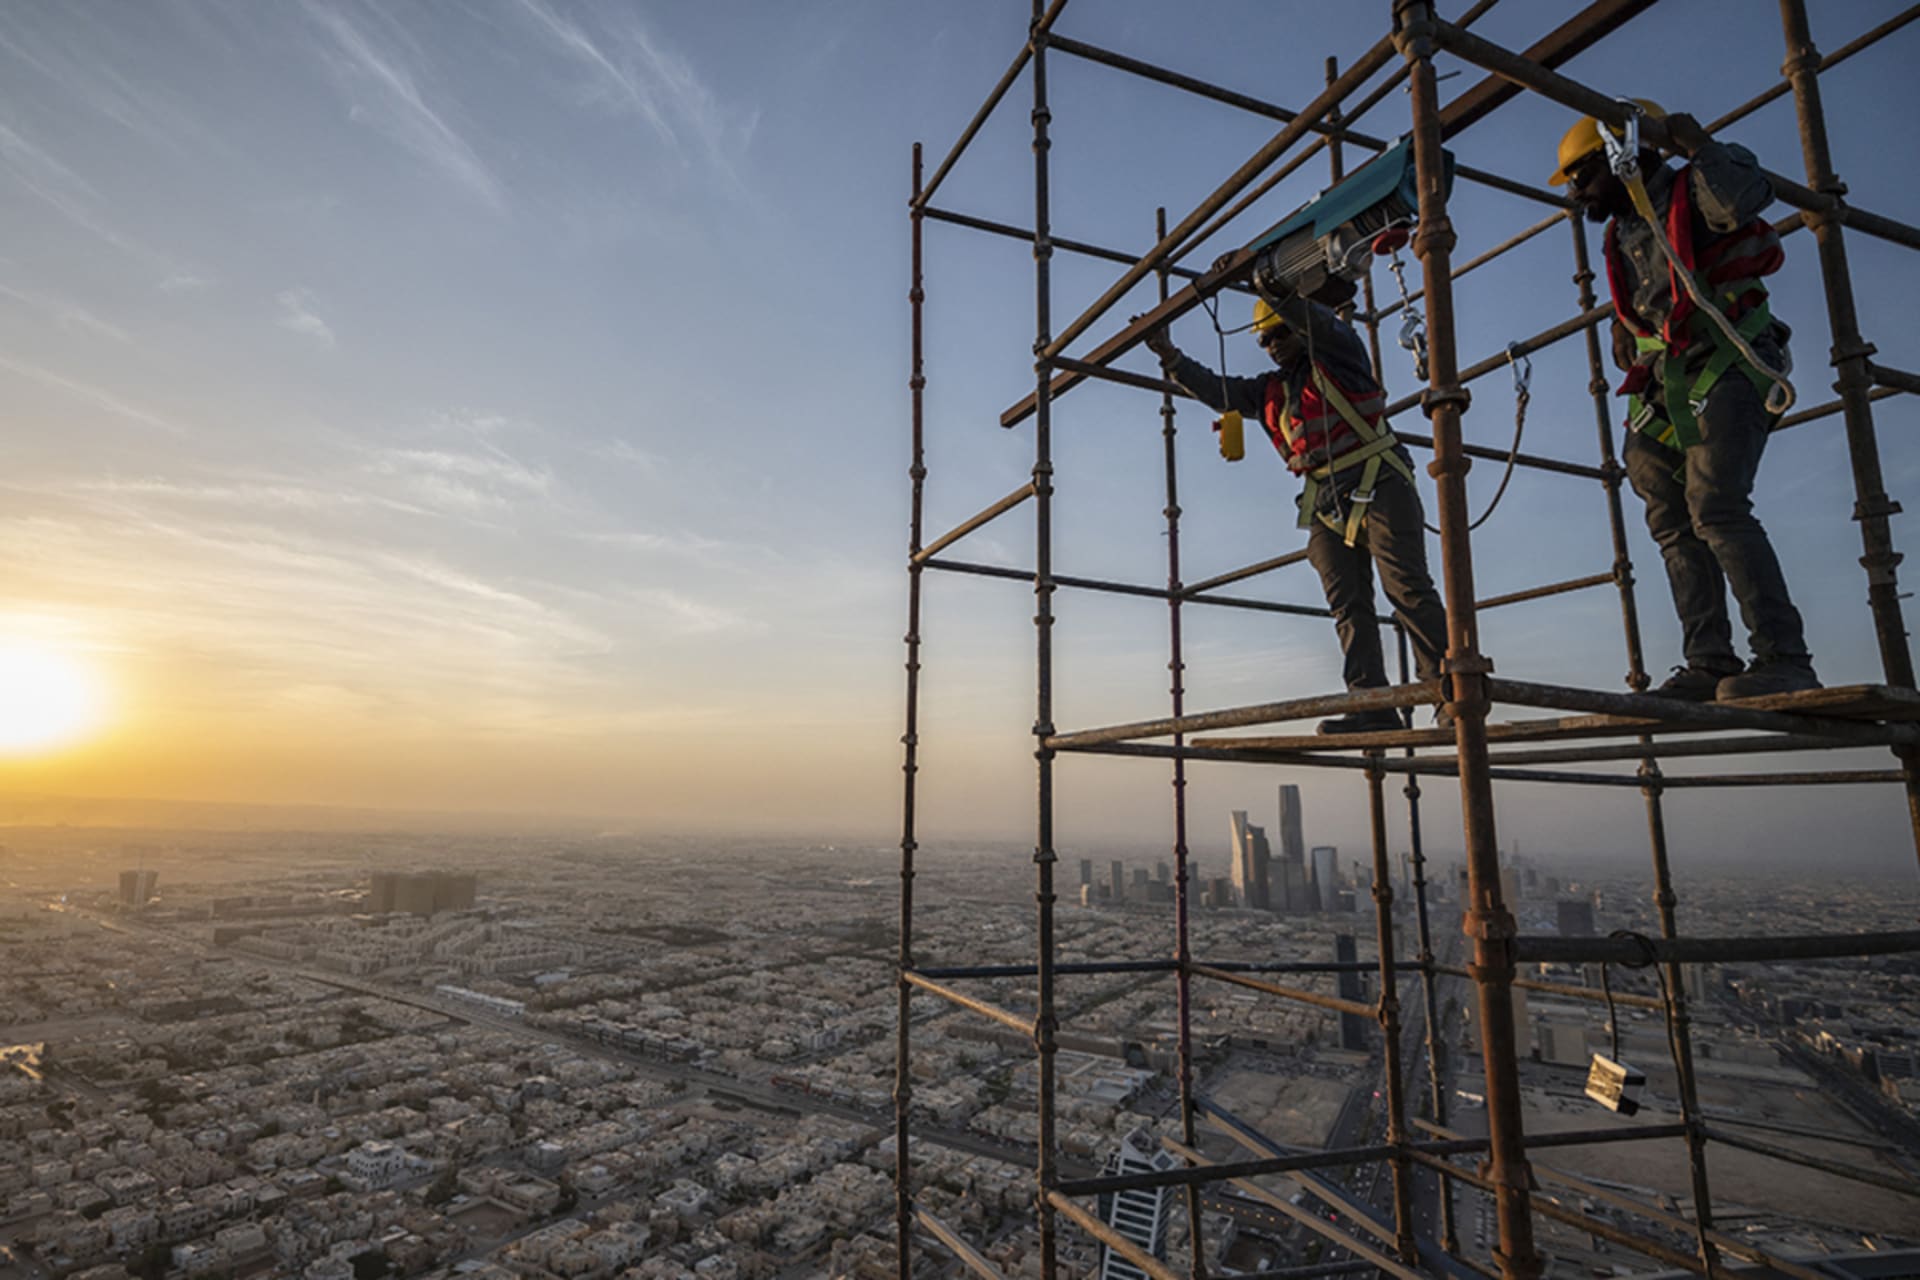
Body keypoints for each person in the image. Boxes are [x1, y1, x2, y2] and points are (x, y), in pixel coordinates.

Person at [1552, 102, 1819, 700]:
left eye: (1584, 176)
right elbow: (1656, 293)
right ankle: (1710, 662)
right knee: (1668, 514)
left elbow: (1739, 198)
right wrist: (1626, 325)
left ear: (1625, 157)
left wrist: (1698, 144)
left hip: (1732, 359)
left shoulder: (1693, 188)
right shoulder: (1623, 231)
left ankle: (1785, 658)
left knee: (1716, 506)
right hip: (1672, 375)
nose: (1577, 195)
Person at [1143, 291, 1451, 734]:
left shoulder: (1341, 357)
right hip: (1325, 502)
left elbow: (1321, 325)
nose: (1272, 345)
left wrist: (1266, 281)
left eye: (1279, 333)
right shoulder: (1271, 390)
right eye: (1264, 341)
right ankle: (1371, 704)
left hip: (1379, 481)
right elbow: (1218, 391)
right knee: (1349, 606)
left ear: (1301, 326)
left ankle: (1446, 692)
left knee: (1406, 589)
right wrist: (1170, 355)